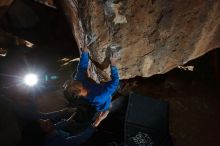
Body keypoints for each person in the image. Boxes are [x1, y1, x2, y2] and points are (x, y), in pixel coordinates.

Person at [67, 47, 120, 127]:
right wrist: (113, 65)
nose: (74, 80)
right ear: (79, 91)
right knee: (119, 91)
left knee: (105, 86)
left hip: (100, 89)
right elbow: (115, 82)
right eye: (73, 83)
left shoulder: (78, 82)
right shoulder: (99, 96)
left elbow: (81, 68)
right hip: (105, 104)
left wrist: (85, 53)